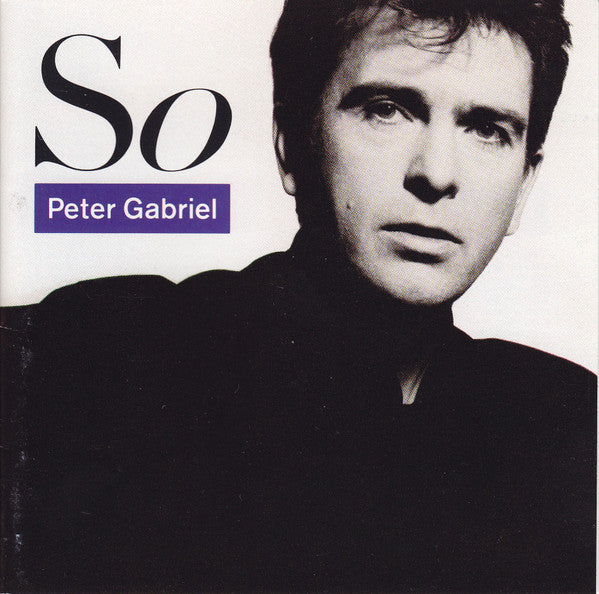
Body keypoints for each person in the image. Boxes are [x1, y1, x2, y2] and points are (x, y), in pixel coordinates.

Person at [2, 0, 595, 591]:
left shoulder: (568, 427)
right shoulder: (94, 356)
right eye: (386, 110)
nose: (436, 174)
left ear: (524, 184)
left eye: (488, 130)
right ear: (290, 142)